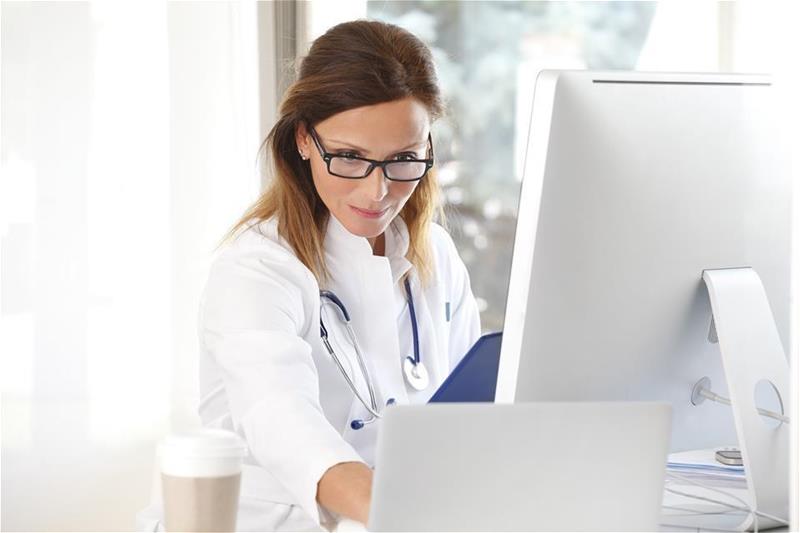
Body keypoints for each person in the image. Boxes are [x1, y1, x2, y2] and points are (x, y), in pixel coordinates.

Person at [138, 19, 481, 532]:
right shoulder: (257, 270)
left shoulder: (436, 256)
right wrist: (406, 515)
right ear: (303, 139)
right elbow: (283, 424)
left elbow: (477, 416)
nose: (377, 191)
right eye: (349, 158)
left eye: (403, 160)